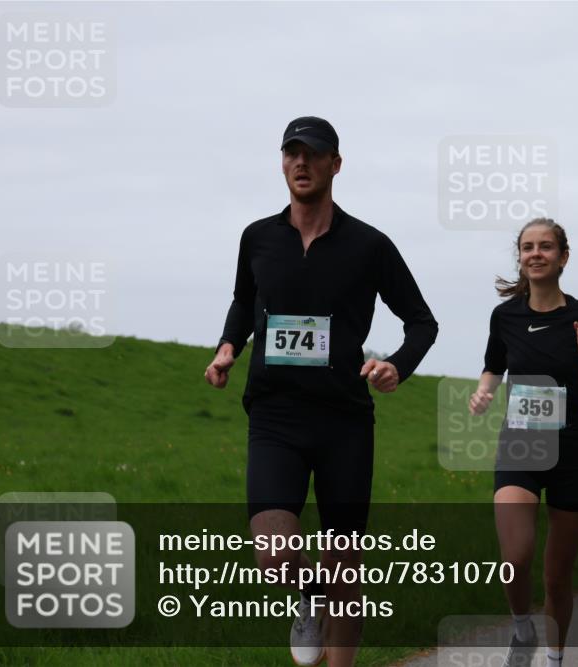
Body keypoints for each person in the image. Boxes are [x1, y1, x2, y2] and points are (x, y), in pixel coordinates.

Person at [204, 116, 438, 667]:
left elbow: (422, 322)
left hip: (344, 422)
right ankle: (309, 595)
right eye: (291, 153)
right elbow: (244, 301)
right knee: (274, 553)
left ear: (336, 163)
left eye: (313, 154)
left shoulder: (370, 245)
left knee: (345, 566)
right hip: (275, 415)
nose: (301, 163)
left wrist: (396, 367)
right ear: (282, 163)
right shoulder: (258, 237)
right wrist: (227, 347)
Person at [468, 219, 578, 667]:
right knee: (514, 558)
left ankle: (554, 657)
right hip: (521, 444)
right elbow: (494, 365)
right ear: (520, 257)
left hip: (571, 448)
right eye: (527, 247)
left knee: (557, 578)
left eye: (546, 247)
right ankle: (521, 630)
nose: (536, 254)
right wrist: (484, 392)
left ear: (563, 257)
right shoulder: (505, 316)